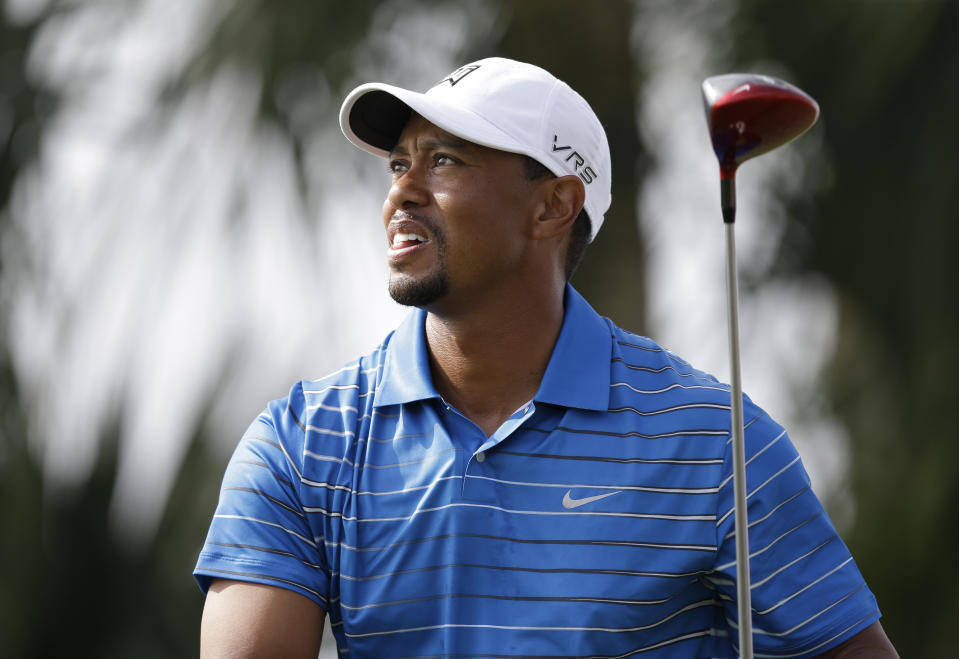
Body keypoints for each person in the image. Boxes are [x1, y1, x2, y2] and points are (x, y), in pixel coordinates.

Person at [195, 57, 897, 658]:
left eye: (443, 160)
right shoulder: (302, 443)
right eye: (399, 163)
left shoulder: (713, 443)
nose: (401, 192)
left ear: (553, 206)